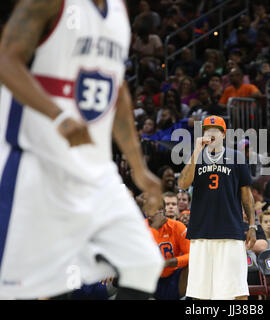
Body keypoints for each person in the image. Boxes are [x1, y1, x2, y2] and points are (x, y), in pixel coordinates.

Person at [0, 0, 165, 300]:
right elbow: (6, 61)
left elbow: (118, 90)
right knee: (25, 283)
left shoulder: (118, 12)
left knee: (143, 262)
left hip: (93, 166)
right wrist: (58, 116)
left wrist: (138, 167)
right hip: (34, 159)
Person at [177, 115, 256, 300]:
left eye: (216, 131)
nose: (211, 134)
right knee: (200, 294)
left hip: (230, 231)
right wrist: (196, 151)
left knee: (236, 291)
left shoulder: (236, 156)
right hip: (201, 232)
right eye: (207, 130)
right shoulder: (196, 158)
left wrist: (252, 225)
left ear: (224, 134)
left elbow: (247, 194)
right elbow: (183, 183)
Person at [146, 202, 190, 300]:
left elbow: (192, 255)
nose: (158, 212)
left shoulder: (177, 226)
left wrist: (172, 262)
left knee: (194, 265)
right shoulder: (140, 226)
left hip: (174, 277)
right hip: (149, 278)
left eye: (161, 208)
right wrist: (155, 228)